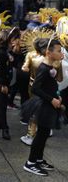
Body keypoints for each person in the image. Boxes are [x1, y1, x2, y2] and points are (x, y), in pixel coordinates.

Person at [23, 38, 64, 176]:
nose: (61, 53)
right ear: (49, 53)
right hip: (44, 105)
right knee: (40, 135)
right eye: (58, 51)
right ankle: (30, 162)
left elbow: (50, 85)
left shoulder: (51, 66)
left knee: (45, 133)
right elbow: (35, 88)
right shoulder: (43, 68)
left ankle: (39, 159)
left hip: (50, 104)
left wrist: (57, 95)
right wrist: (51, 99)